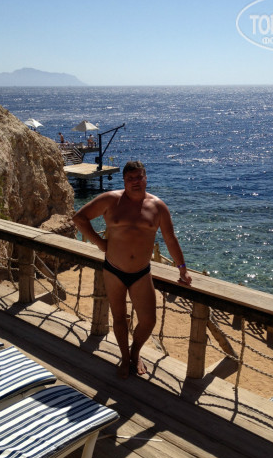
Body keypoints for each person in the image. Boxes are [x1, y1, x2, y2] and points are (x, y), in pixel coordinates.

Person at [72, 160, 192, 379]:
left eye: (139, 177)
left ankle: (135, 353)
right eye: (130, 178)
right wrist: (101, 244)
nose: (135, 182)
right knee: (119, 318)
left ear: (146, 178)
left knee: (148, 321)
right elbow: (79, 218)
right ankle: (125, 357)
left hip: (141, 273)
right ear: (124, 181)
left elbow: (170, 239)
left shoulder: (158, 207)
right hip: (113, 270)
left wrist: (182, 269)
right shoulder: (110, 200)